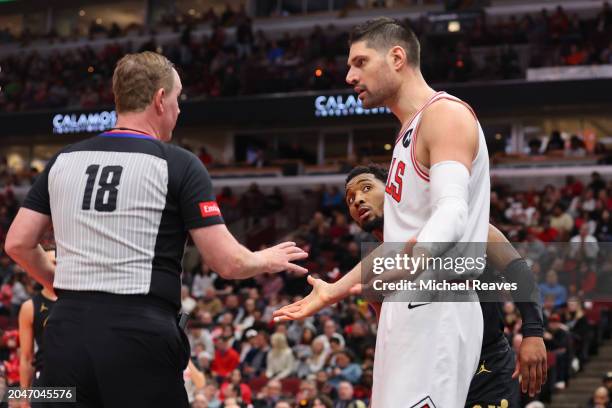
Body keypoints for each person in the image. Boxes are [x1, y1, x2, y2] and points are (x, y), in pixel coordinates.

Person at [5, 51, 307, 408]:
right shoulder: (177, 163)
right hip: (138, 336)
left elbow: (18, 243)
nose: (179, 111)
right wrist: (265, 259)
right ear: (160, 100)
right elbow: (228, 263)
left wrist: (57, 282)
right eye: (177, 99)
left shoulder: (63, 160)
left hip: (65, 334)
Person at [275, 17, 491, 406]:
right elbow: (397, 245)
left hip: (437, 301)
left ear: (396, 57)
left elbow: (453, 209)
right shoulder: (407, 131)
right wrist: (333, 291)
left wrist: (419, 257)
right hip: (408, 304)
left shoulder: (444, 114)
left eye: (359, 62)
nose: (348, 76)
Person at [342, 164, 546, 406]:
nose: (357, 200)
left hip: (484, 366)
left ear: (395, 190)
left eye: (366, 188)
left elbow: (518, 273)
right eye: (350, 198)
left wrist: (533, 333)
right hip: (424, 373)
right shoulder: (375, 267)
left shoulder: (459, 225)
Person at [18, 249, 57, 389]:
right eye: (51, 263)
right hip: (45, 380)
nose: (55, 268)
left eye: (59, 263)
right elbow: (26, 357)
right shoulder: (29, 307)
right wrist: (23, 398)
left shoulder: (79, 301)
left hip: (77, 378)